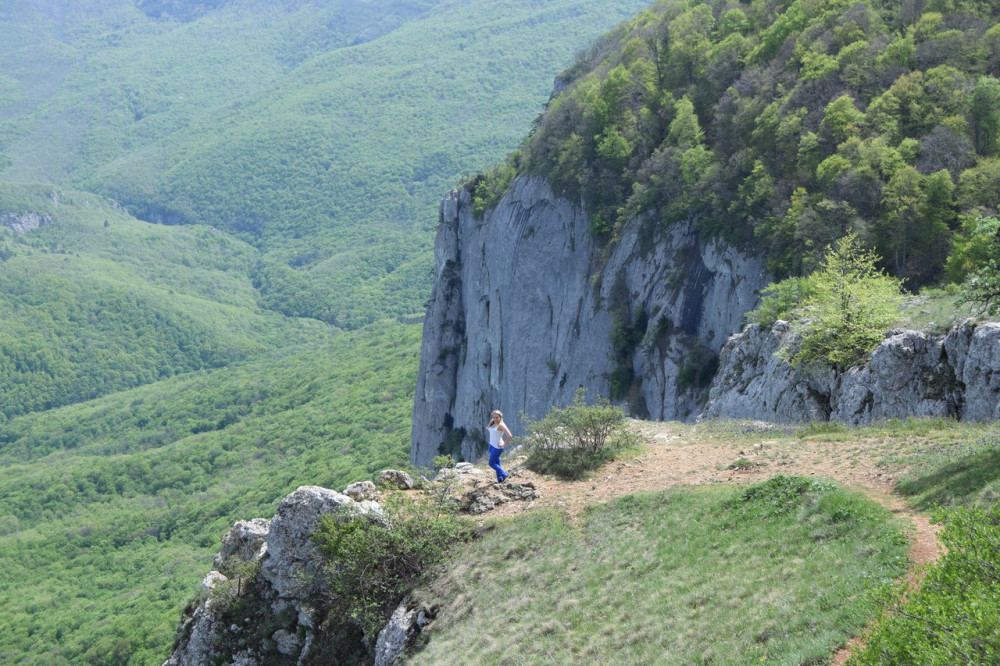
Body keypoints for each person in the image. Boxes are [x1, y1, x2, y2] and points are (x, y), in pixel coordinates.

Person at [486, 409, 513, 483]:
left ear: (500, 417)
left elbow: (509, 436)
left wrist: (504, 444)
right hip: (491, 446)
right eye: (494, 417)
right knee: (497, 462)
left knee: (491, 463)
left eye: (497, 417)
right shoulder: (492, 422)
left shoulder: (501, 425)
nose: (495, 419)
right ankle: (500, 479)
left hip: (498, 447)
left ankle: (504, 474)